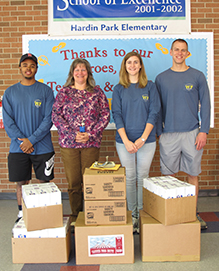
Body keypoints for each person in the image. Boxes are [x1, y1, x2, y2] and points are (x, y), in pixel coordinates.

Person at [155, 39, 211, 230]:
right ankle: (171, 211)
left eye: (183, 50)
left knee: (192, 174)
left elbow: (206, 105)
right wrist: (159, 133)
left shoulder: (197, 76)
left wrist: (203, 131)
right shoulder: (161, 78)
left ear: (188, 54)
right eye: (176, 50)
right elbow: (157, 108)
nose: (180, 53)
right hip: (168, 134)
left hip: (192, 133)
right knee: (168, 176)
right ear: (170, 52)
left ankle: (192, 212)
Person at [52, 58, 110, 223]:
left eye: (83, 70)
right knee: (74, 182)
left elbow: (105, 115)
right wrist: (72, 134)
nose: (80, 73)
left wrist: (90, 134)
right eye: (76, 70)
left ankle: (92, 214)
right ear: (72, 73)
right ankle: (76, 216)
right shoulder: (64, 93)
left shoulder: (97, 92)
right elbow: (56, 115)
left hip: (90, 143)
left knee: (90, 181)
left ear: (88, 73)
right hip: (69, 144)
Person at [2, 53, 55, 223]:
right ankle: (21, 214)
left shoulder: (46, 91)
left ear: (36, 69)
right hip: (18, 148)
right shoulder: (10, 92)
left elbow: (49, 119)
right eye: (25, 65)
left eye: (32, 65)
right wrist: (23, 141)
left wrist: (31, 140)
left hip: (43, 147)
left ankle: (45, 214)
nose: (28, 68)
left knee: (44, 182)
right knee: (21, 183)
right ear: (20, 68)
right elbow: (8, 122)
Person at [112, 51, 161, 233]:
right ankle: (132, 213)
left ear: (140, 66)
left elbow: (154, 113)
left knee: (143, 177)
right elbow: (116, 115)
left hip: (146, 141)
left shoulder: (150, 86)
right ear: (124, 66)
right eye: (129, 63)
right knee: (129, 177)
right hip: (124, 141)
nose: (132, 65)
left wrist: (142, 139)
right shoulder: (118, 89)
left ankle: (141, 213)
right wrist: (126, 141)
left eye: (135, 62)